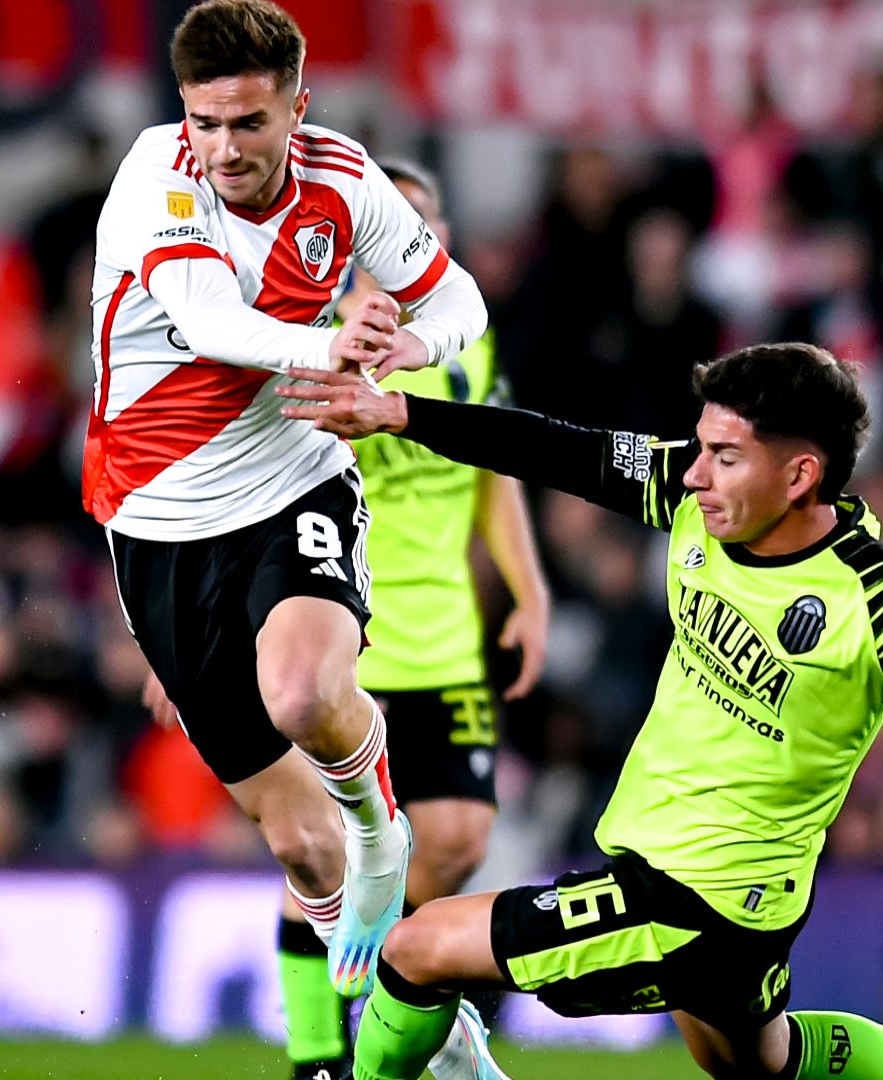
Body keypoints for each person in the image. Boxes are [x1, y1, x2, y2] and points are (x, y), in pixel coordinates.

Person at [277, 343, 883, 1080]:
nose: (695, 473)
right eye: (701, 448)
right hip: (728, 903)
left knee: (417, 951)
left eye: (724, 456)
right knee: (763, 1059)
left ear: (800, 475)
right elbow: (557, 449)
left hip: (700, 903)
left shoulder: (880, 600)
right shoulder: (697, 501)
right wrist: (403, 413)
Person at [88, 0, 487, 1031]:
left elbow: (459, 305)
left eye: (249, 124)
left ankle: (381, 832)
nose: (222, 148)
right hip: (153, 518)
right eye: (206, 120)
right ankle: (408, 1034)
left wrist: (407, 349)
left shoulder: (345, 180)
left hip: (288, 480)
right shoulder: (154, 174)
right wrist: (340, 344)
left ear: (295, 108)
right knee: (298, 849)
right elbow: (208, 323)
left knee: (307, 693)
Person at [268, 160, 549, 1079]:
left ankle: (381, 987)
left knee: (459, 836)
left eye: (416, 228)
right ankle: (320, 1051)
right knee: (318, 845)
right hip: (345, 635)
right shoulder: (310, 340)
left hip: (448, 641)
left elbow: (492, 467)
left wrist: (529, 587)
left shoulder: (469, 344)